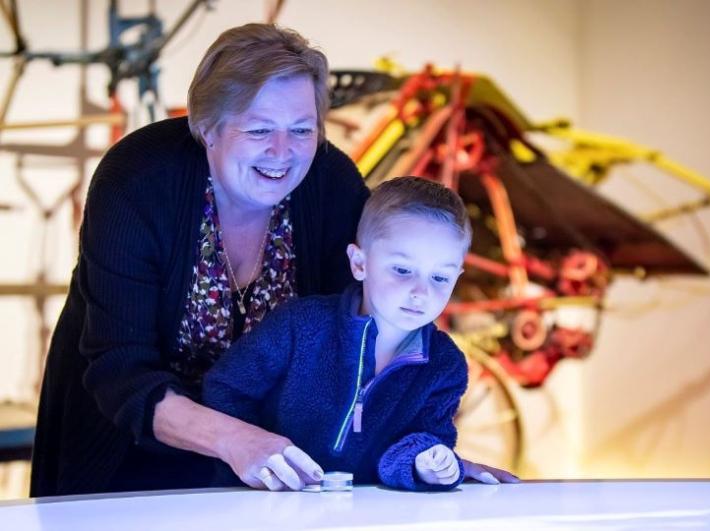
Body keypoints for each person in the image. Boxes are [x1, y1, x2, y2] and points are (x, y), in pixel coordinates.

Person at [30, 23, 517, 497]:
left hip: (271, 464)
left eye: (302, 130)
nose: (282, 153)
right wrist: (234, 439)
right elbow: (120, 369)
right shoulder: (138, 179)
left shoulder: (330, 184)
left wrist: (421, 454)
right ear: (207, 127)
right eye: (259, 129)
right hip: (125, 446)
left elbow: (365, 338)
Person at [204, 177, 470, 491]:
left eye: (440, 276)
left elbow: (422, 439)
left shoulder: (445, 365)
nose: (421, 292)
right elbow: (225, 388)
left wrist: (425, 462)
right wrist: (255, 458)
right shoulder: (300, 324)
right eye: (402, 269)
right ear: (359, 263)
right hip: (264, 500)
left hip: (363, 514)